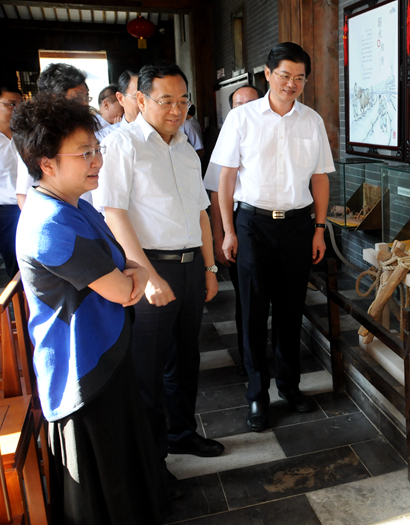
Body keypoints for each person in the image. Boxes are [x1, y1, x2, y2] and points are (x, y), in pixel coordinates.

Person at [11, 93, 163, 524]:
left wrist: (129, 272)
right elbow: (123, 287)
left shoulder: (74, 205)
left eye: (97, 150)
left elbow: (124, 265)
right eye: (85, 153)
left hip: (103, 350)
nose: (97, 160)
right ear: (46, 163)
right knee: (105, 483)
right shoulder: (51, 224)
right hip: (81, 369)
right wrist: (132, 275)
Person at [94, 63, 223, 486]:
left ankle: (183, 433)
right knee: (147, 369)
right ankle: (152, 461)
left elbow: (201, 212)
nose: (176, 109)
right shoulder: (123, 145)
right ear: (141, 100)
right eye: (165, 100)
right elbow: (113, 214)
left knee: (186, 358)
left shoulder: (185, 146)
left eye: (182, 100)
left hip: (189, 267)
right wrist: (147, 275)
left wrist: (208, 267)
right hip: (148, 266)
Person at [210, 43, 334, 432]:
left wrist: (318, 228)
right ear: (267, 74)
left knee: (290, 308)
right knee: (251, 311)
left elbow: (319, 178)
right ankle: (257, 394)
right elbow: (225, 178)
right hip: (252, 224)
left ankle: (290, 386)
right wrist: (228, 231)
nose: (292, 84)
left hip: (298, 225)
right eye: (285, 75)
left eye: (299, 78)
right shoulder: (242, 118)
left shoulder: (311, 121)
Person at [203, 85, 262, 377]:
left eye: (251, 103)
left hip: (271, 225)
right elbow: (216, 194)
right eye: (238, 105)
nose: (245, 109)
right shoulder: (228, 137)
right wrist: (219, 237)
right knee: (247, 300)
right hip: (239, 222)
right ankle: (249, 361)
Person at [16, 63, 91, 209]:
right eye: (78, 97)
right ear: (54, 98)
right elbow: (23, 194)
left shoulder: (88, 132)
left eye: (86, 97)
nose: (85, 104)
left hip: (85, 214)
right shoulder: (38, 138)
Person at [0, 80, 22, 278]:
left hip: (25, 205)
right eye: (11, 104)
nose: (16, 109)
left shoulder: (23, 135)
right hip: (4, 210)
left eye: (20, 104)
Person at [96, 69, 140, 142]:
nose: (144, 103)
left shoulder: (161, 132)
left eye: (148, 97)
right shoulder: (104, 137)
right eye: (137, 97)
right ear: (121, 98)